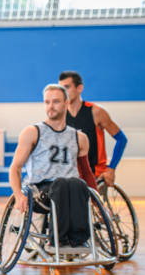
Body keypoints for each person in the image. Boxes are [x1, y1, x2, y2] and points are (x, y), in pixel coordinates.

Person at [9, 84, 97, 247]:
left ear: (66, 103)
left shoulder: (79, 137)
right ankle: (58, 240)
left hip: (71, 188)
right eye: (47, 102)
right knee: (62, 183)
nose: (50, 106)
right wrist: (18, 195)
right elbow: (15, 168)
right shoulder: (33, 132)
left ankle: (79, 239)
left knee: (78, 183)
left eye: (56, 101)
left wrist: (98, 203)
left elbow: (86, 172)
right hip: (40, 190)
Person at [59, 71, 128, 186]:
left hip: (95, 174)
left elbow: (121, 139)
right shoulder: (61, 115)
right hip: (72, 174)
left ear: (79, 88)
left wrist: (111, 169)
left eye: (67, 87)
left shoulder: (96, 112)